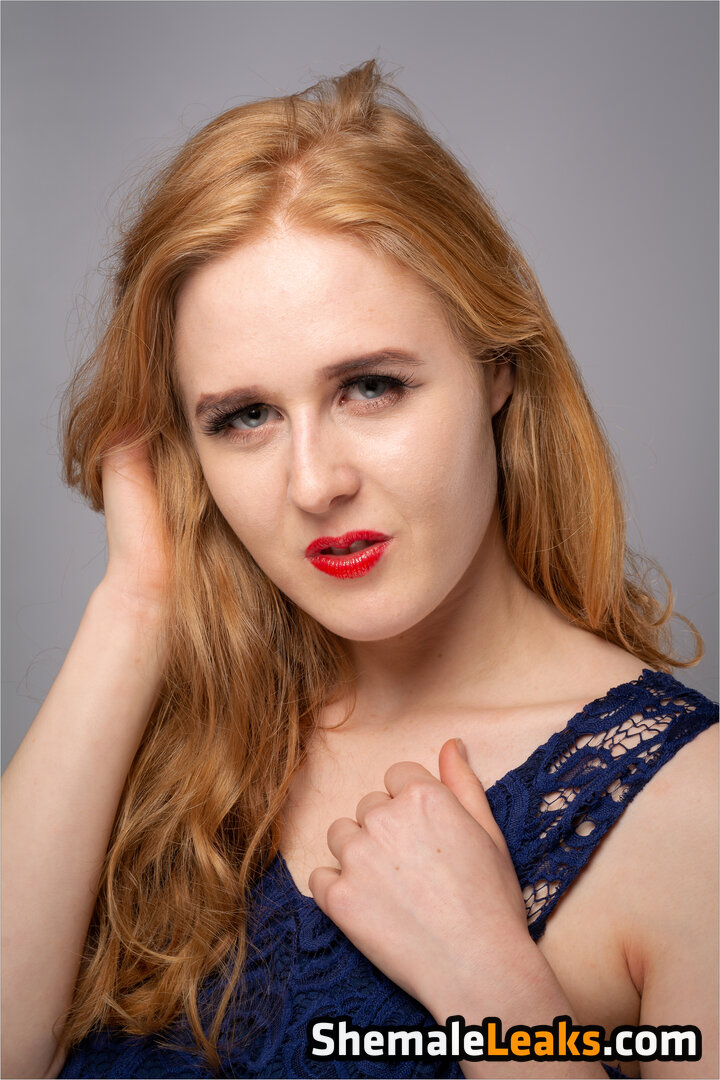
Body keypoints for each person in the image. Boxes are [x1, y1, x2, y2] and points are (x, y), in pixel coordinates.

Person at [2, 60, 717, 1080]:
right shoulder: (176, 747)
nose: (314, 483)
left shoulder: (695, 817)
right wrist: (138, 602)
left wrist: (493, 991)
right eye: (245, 416)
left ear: (496, 367)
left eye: (371, 387)